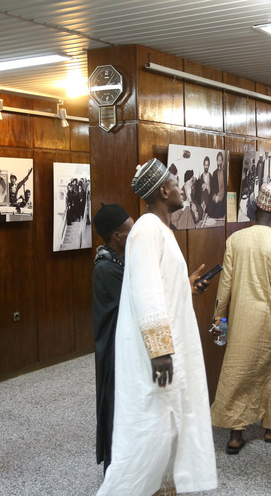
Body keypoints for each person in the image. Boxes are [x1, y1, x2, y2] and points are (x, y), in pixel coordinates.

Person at [97, 159, 217, 496]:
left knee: (169, 423)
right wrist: (160, 351)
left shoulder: (160, 229)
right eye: (175, 183)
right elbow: (146, 292)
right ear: (163, 191)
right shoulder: (148, 229)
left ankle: (163, 487)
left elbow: (159, 284)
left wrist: (186, 286)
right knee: (151, 431)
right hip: (159, 352)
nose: (181, 188)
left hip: (170, 346)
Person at [210, 184, 271, 454]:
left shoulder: (235, 240)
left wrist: (218, 317)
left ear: (255, 209)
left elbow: (225, 284)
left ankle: (236, 435)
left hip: (241, 318)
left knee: (237, 372)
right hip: (269, 320)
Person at [92, 203, 134, 475]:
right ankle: (116, 471)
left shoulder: (120, 260)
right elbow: (134, 301)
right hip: (116, 350)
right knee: (117, 407)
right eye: (131, 231)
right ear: (117, 236)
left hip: (127, 346)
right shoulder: (107, 269)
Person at [206, 151, 226, 219]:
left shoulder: (225, 173)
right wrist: (215, 196)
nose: (219, 162)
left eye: (220, 160)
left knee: (218, 212)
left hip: (221, 197)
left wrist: (218, 197)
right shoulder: (214, 173)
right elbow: (212, 187)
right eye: (218, 160)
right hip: (215, 196)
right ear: (216, 161)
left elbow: (223, 188)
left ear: (222, 161)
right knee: (209, 209)